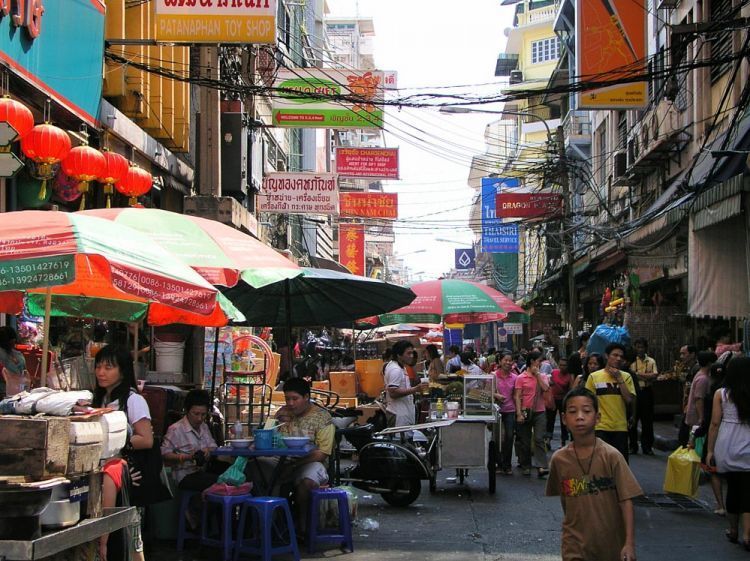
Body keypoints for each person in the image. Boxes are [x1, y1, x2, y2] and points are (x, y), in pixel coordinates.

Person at [546, 386, 642, 561]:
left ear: (597, 417)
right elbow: (566, 501)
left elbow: (626, 500)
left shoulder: (611, 456)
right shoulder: (559, 460)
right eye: (573, 412)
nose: (580, 417)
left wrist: (629, 543)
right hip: (574, 544)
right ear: (564, 418)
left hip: (611, 544)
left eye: (587, 411)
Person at [93, 345, 153, 561]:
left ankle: (105, 545)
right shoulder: (96, 401)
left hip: (124, 476)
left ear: (123, 371)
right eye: (98, 366)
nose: (101, 372)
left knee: (130, 539)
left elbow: (146, 439)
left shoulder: (133, 400)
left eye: (108, 367)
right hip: (98, 474)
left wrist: (116, 441)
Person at [273, 377, 335, 535]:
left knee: (306, 483)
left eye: (295, 399)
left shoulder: (322, 417)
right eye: (287, 399)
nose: (291, 403)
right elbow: (270, 439)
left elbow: (322, 453)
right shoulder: (285, 414)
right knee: (259, 475)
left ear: (306, 397)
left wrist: (294, 466)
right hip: (282, 462)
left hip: (311, 463)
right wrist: (276, 419)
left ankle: (304, 528)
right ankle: (271, 525)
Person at [706, 356, 750, 549]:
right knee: (748, 490)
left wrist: (709, 450)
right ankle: (748, 534)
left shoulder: (721, 394)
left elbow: (714, 423)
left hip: (727, 443)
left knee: (733, 487)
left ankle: (733, 530)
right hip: (748, 442)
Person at [161, 390, 220, 529]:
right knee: (220, 482)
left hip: (201, 472)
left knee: (228, 480)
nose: (200, 418)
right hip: (184, 475)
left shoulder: (204, 427)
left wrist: (207, 451)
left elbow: (213, 446)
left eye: (203, 414)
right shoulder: (176, 429)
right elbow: (164, 453)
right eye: (196, 414)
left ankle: (203, 519)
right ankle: (196, 513)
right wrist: (187, 457)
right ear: (187, 411)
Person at [585, 343, 635, 462]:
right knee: (600, 464)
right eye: (615, 355)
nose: (618, 358)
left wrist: (619, 379)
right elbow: (587, 403)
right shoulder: (594, 377)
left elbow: (629, 399)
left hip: (620, 428)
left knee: (620, 465)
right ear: (607, 356)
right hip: (600, 427)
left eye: (621, 357)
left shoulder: (626, 377)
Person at [514, 350, 550, 478]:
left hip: (540, 411)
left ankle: (541, 466)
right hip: (525, 410)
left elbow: (545, 388)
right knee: (525, 440)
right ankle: (526, 465)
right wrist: (518, 413)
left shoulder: (543, 375)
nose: (540, 363)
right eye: (539, 361)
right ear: (532, 361)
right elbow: (517, 396)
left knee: (539, 438)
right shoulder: (521, 378)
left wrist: (538, 375)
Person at [384, 340, 427, 427]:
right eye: (408, 353)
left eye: (412, 353)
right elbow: (393, 393)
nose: (411, 356)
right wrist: (415, 389)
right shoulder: (395, 369)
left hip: (403, 414)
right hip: (398, 415)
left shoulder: (400, 367)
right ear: (399, 355)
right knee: (399, 440)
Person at [629, 338, 658, 455]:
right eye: (638, 347)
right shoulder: (631, 361)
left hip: (646, 392)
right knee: (633, 420)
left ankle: (647, 447)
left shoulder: (651, 361)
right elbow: (630, 376)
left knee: (647, 421)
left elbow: (655, 375)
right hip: (634, 392)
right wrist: (646, 376)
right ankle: (633, 446)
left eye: (642, 347)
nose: (640, 349)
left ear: (646, 348)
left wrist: (638, 375)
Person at [493, 350, 518, 475]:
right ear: (500, 361)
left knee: (509, 437)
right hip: (496, 411)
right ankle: (498, 462)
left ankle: (507, 464)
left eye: (510, 360)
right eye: (505, 360)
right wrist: (496, 395)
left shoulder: (515, 377)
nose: (508, 363)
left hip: (510, 410)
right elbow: (485, 393)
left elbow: (517, 396)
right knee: (497, 437)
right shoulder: (493, 376)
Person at [547, 355, 572, 449]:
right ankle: (548, 440)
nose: (562, 367)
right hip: (553, 399)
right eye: (560, 365)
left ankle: (563, 441)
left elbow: (570, 388)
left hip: (563, 400)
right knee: (550, 419)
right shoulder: (554, 372)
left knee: (563, 421)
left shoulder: (569, 376)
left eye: (564, 365)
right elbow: (548, 382)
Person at [678, 344, 700, 446]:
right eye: (680, 354)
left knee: (685, 435)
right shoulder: (685, 368)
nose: (681, 357)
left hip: (692, 406)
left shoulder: (696, 369)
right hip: (686, 404)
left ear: (692, 354)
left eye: (684, 354)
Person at [0, 326, 27, 397]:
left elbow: (24, 373)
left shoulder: (18, 355)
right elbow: (24, 374)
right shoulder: (19, 355)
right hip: (14, 392)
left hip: (14, 392)